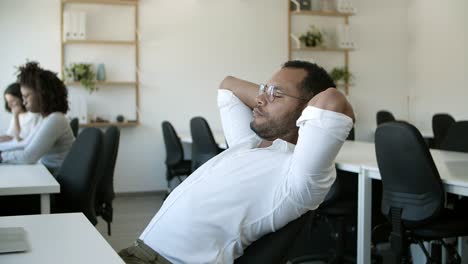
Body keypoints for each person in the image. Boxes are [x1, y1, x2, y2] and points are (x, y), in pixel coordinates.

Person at [119, 60, 355, 264]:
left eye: (276, 94)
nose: (259, 100)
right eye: (263, 91)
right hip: (138, 250)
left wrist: (288, 103)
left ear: (307, 110)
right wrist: (271, 95)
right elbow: (228, 85)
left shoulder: (299, 178)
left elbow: (332, 100)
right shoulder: (247, 142)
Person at [0, 62, 75, 174]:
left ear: (42, 94)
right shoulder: (46, 118)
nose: (24, 102)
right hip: (47, 173)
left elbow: (29, 156)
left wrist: (1, 157)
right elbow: (25, 144)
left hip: (56, 179)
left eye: (26, 96)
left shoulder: (56, 119)